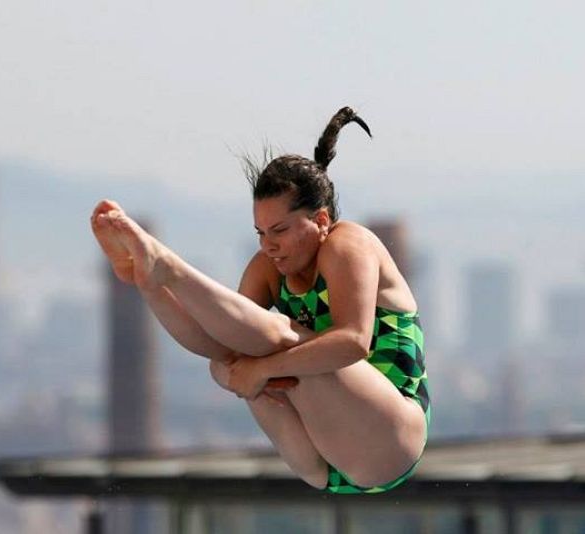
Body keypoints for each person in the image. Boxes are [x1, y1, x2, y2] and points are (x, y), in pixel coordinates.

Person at [89, 107, 430, 494]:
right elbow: (220, 340)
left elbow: (353, 341)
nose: (269, 244)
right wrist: (152, 290)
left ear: (320, 222)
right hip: (321, 465)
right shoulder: (269, 265)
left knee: (279, 337)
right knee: (227, 361)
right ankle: (152, 275)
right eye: (261, 232)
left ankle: (169, 266)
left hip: (389, 440)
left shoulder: (348, 245)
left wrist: (265, 370)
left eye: (280, 230)